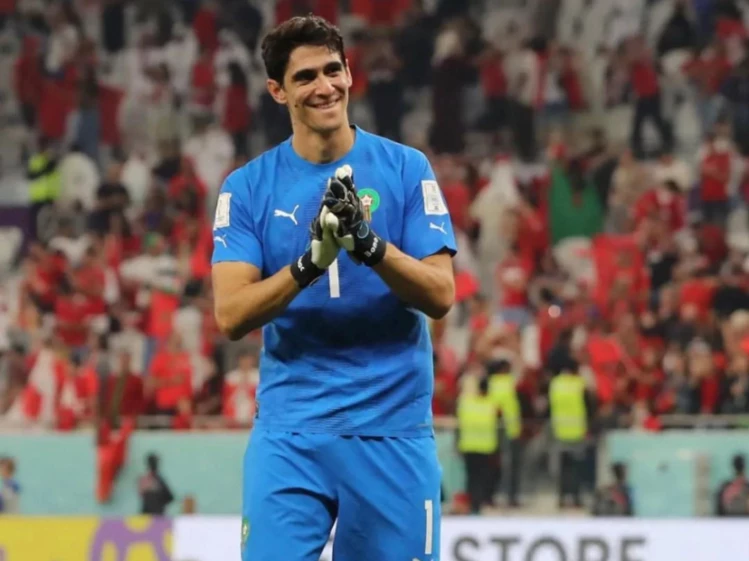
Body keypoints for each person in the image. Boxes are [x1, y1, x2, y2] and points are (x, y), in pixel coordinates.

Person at [211, 15, 457, 561]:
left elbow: (441, 294)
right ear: (277, 90)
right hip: (291, 433)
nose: (324, 86)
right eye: (305, 77)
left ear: (349, 72)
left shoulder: (406, 168)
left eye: (332, 70)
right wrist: (309, 265)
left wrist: (370, 246)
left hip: (392, 428)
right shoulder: (247, 188)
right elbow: (230, 314)